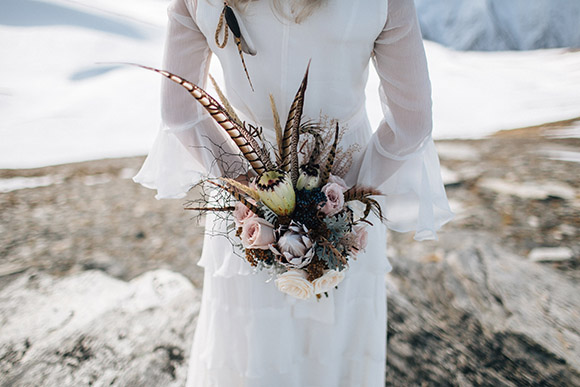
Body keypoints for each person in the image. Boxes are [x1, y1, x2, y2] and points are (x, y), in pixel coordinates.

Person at [134, 0, 453, 385]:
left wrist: (252, 195)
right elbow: (412, 123)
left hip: (246, 215)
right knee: (338, 355)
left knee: (249, 355)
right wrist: (342, 198)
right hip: (347, 198)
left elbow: (180, 111)